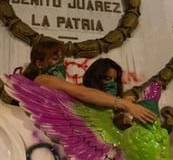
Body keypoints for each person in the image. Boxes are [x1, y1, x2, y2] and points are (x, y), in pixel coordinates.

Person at [22, 39, 155, 124]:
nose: (61, 64)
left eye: (62, 59)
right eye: (56, 59)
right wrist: (126, 105)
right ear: (39, 64)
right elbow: (83, 93)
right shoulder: (43, 80)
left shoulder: (65, 86)